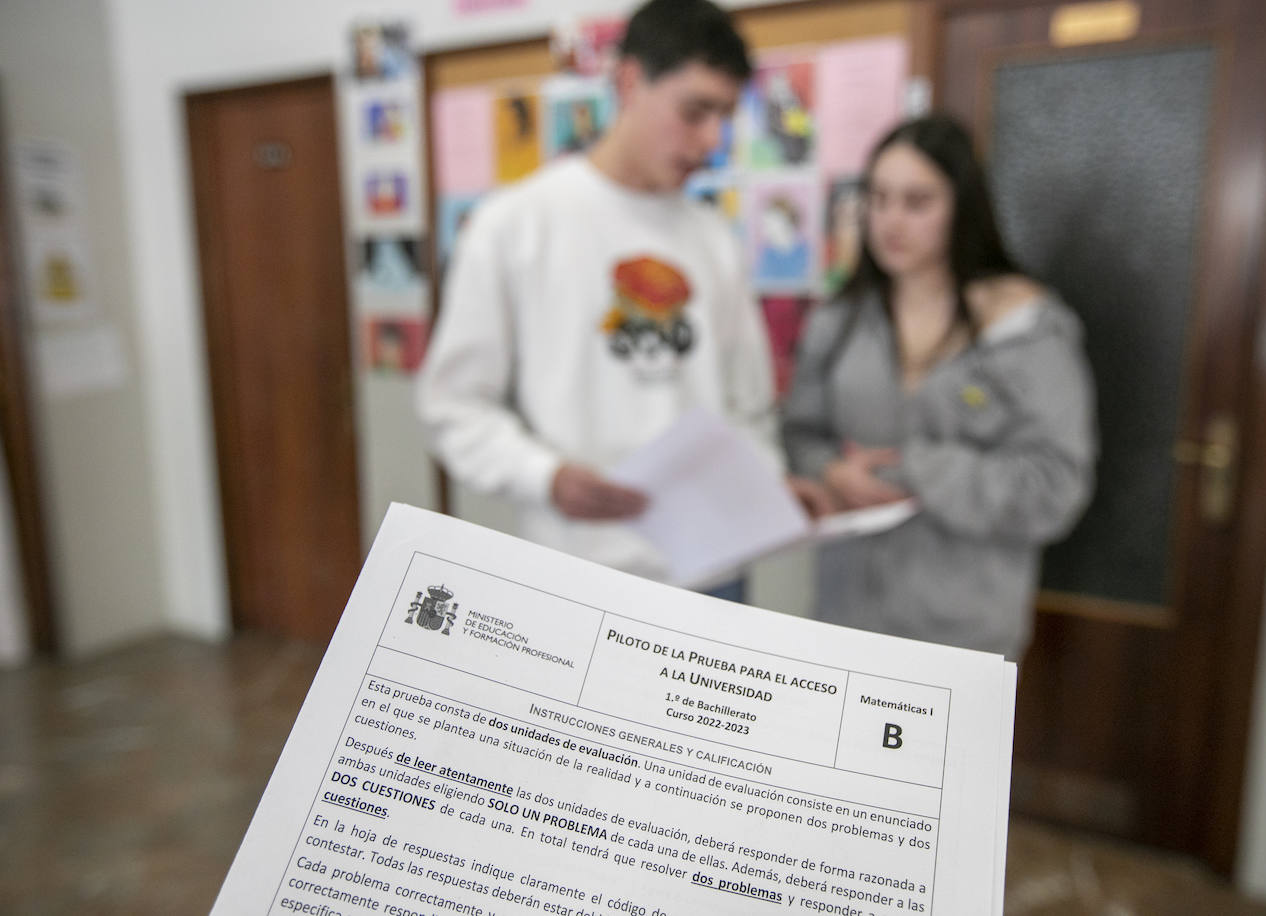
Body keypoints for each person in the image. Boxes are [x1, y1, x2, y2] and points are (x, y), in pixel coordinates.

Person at [416, 0, 824, 597]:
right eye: (695, 111)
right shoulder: (517, 224)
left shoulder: (714, 238)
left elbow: (747, 407)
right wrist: (546, 477)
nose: (712, 140)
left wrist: (769, 484)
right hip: (575, 577)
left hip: (712, 572)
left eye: (725, 116)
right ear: (630, 81)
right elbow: (453, 407)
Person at [782, 114, 1096, 660]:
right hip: (844, 620)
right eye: (877, 199)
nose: (889, 221)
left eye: (916, 202)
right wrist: (829, 472)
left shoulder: (1023, 330)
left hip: (964, 629)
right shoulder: (841, 320)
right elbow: (798, 435)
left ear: (962, 208)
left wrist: (918, 470)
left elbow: (1056, 486)